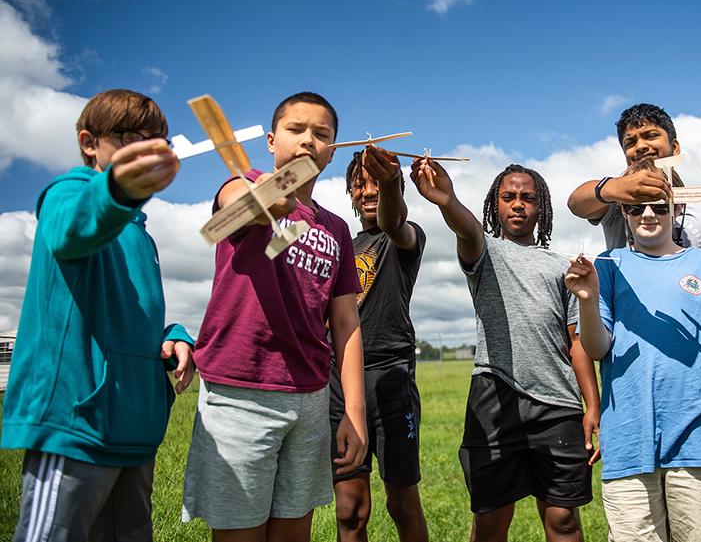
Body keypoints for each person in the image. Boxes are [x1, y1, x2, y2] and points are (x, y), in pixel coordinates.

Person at [2, 89, 194, 542]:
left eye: (158, 142)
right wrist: (120, 189)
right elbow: (72, 232)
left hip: (134, 430)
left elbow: (132, 316)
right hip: (76, 424)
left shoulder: (141, 235)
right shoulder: (68, 196)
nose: (149, 151)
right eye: (134, 139)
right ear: (90, 143)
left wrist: (175, 335)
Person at [182, 92, 367, 542]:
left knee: (293, 530)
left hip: (309, 395)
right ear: (271, 139)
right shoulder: (244, 184)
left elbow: (345, 322)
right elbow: (232, 203)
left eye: (322, 135)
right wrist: (265, 196)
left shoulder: (336, 229)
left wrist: (355, 412)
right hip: (241, 391)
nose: (308, 141)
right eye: (296, 130)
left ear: (334, 149)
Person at [410, 159, 600, 542]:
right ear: (495, 205)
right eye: (508, 196)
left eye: (527, 198)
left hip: (557, 405)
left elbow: (576, 341)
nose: (517, 204)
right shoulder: (484, 251)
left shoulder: (562, 267)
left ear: (540, 208)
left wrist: (592, 405)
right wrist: (447, 201)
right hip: (494, 396)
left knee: (563, 519)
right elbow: (466, 230)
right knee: (491, 519)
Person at [566, 158, 701, 542]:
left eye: (658, 204)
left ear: (677, 206)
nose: (647, 214)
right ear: (623, 209)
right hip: (627, 445)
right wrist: (588, 300)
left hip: (699, 443)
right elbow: (598, 348)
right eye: (636, 206)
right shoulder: (608, 265)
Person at [330, 147, 428, 542]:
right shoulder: (338, 247)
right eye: (359, 185)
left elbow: (393, 220)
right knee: (350, 511)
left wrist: (390, 185)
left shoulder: (404, 236)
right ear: (350, 194)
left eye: (377, 184)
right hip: (338, 384)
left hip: (390, 380)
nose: (367, 192)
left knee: (401, 504)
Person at [567, 102, 701, 288]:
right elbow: (576, 204)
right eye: (630, 142)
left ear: (675, 147)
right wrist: (612, 188)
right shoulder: (618, 199)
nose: (640, 146)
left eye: (651, 136)